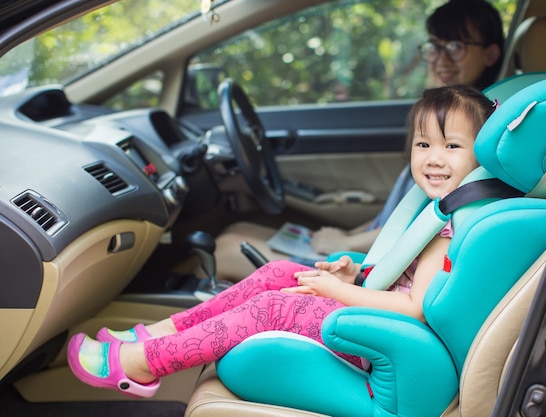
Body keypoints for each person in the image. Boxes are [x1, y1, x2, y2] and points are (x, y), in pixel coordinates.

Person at [67, 84, 498, 398]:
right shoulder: (437, 211)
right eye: (423, 143)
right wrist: (354, 273)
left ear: (484, 153)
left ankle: (143, 365)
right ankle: (153, 335)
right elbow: (399, 277)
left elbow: (415, 308)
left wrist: (337, 290)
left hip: (379, 341)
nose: (433, 157)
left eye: (452, 146)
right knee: (279, 272)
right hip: (374, 319)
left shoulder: (448, 231)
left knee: (274, 306)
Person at [214, 0, 504, 281]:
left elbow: (418, 226)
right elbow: (397, 213)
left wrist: (349, 244)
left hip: (372, 264)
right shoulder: (436, 125)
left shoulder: (472, 137)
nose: (440, 59)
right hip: (370, 247)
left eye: (455, 47)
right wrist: (349, 236)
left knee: (224, 248)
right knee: (237, 229)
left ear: (490, 54)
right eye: (434, 46)